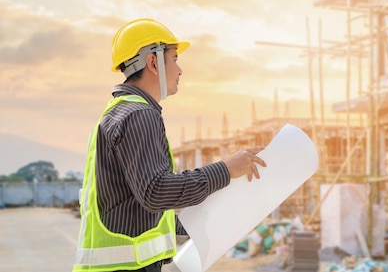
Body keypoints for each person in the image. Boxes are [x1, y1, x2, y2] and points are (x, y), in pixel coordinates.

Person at [73, 18, 266, 272]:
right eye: (174, 59)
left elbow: (133, 202)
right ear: (153, 62)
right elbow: (155, 191)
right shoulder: (139, 115)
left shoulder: (115, 114)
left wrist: (199, 223)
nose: (180, 70)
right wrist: (226, 170)